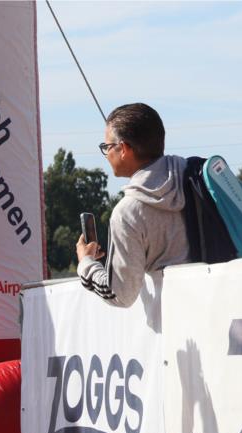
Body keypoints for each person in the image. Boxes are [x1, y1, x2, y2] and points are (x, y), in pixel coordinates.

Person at [77, 103, 190, 307]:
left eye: (107, 147)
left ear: (124, 149)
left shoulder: (127, 213)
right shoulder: (198, 177)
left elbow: (120, 294)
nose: (106, 155)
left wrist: (86, 264)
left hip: (179, 323)